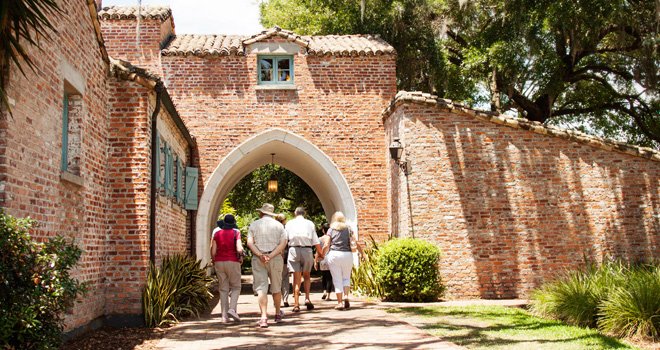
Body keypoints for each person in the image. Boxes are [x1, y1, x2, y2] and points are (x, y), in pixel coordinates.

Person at [247, 203, 288, 328]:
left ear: (261, 213)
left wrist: (260, 255)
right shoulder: (279, 226)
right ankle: (277, 314)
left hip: (259, 259)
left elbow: (250, 243)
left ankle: (264, 317)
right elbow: (283, 243)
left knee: (261, 288)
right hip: (275, 259)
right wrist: (271, 255)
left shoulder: (254, 225)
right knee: (276, 287)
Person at [285, 207, 323, 312]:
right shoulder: (309, 223)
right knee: (306, 276)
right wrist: (320, 253)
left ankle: (296, 304)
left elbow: (285, 238)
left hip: (294, 250)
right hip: (307, 250)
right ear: (304, 213)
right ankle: (307, 298)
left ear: (295, 213)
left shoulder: (289, 223)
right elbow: (315, 240)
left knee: (296, 278)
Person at [322, 211, 362, 310]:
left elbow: (327, 244)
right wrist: (362, 253)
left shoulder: (331, 229)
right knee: (346, 277)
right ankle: (346, 296)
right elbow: (354, 242)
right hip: (347, 255)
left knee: (337, 279)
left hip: (334, 254)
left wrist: (322, 253)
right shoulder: (348, 229)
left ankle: (339, 303)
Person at [210, 214, 244, 323]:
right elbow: (239, 249)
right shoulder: (236, 232)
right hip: (233, 261)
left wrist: (214, 260)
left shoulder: (217, 233)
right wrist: (242, 254)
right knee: (236, 286)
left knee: (223, 289)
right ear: (233, 223)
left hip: (219, 261)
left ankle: (224, 316)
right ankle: (232, 309)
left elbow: (213, 251)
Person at [274, 213, 291, 307]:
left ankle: (278, 299)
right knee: (285, 278)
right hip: (286, 255)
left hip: (276, 255)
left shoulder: (274, 229)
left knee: (276, 278)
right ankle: (285, 298)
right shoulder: (286, 229)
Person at [316, 222, 334, 301]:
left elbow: (318, 250)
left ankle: (324, 291)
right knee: (329, 277)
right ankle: (328, 295)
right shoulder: (332, 238)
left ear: (323, 230)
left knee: (324, 276)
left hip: (322, 258)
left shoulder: (320, 239)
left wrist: (315, 260)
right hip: (330, 258)